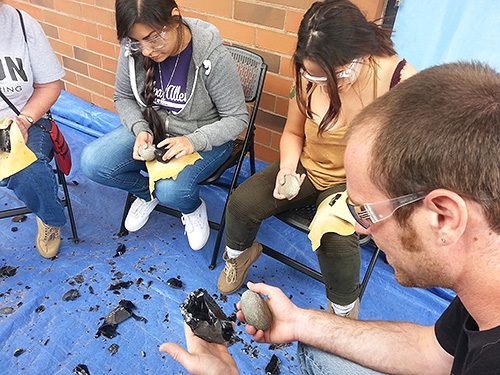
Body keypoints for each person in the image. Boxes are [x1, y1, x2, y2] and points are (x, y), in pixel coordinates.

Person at [160, 61, 500, 375]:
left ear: (443, 217)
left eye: (367, 211)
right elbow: (433, 352)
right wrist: (300, 322)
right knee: (316, 344)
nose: (358, 226)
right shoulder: (482, 299)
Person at [217, 0, 416, 320]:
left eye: (334, 76)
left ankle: (343, 308)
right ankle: (240, 255)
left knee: (334, 239)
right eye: (316, 78)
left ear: (361, 53)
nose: (325, 86)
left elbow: (412, 159)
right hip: (309, 166)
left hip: (357, 182)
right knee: (243, 201)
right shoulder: (308, 73)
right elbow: (294, 133)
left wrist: (375, 204)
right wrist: (286, 170)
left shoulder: (397, 79)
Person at [80, 0, 247, 250]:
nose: (146, 51)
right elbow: (123, 97)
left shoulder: (211, 56)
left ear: (175, 18)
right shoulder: (133, 49)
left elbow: (237, 118)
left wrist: (194, 141)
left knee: (172, 191)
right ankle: (146, 192)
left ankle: (191, 207)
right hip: (153, 132)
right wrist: (140, 129)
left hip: (204, 139)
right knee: (93, 162)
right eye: (137, 41)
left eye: (153, 39)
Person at [0, 1, 66, 258]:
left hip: (22, 119)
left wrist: (25, 120)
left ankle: (48, 216)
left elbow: (50, 85)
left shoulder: (21, 24)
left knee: (25, 170)